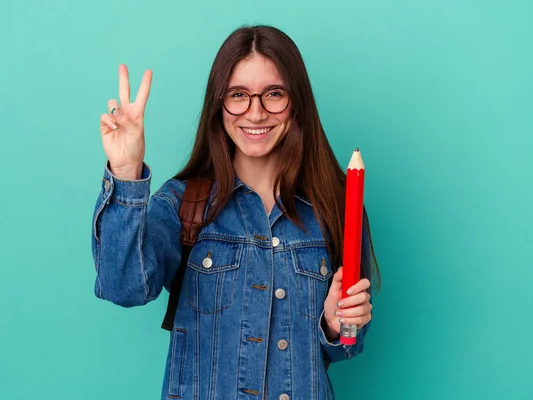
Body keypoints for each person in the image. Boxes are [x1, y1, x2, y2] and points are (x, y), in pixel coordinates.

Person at [92, 25, 380, 400]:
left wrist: (335, 323)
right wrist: (126, 171)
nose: (255, 113)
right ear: (219, 103)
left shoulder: (334, 206)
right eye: (238, 95)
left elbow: (346, 345)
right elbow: (123, 287)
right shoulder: (184, 204)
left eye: (274, 94)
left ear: (296, 102)